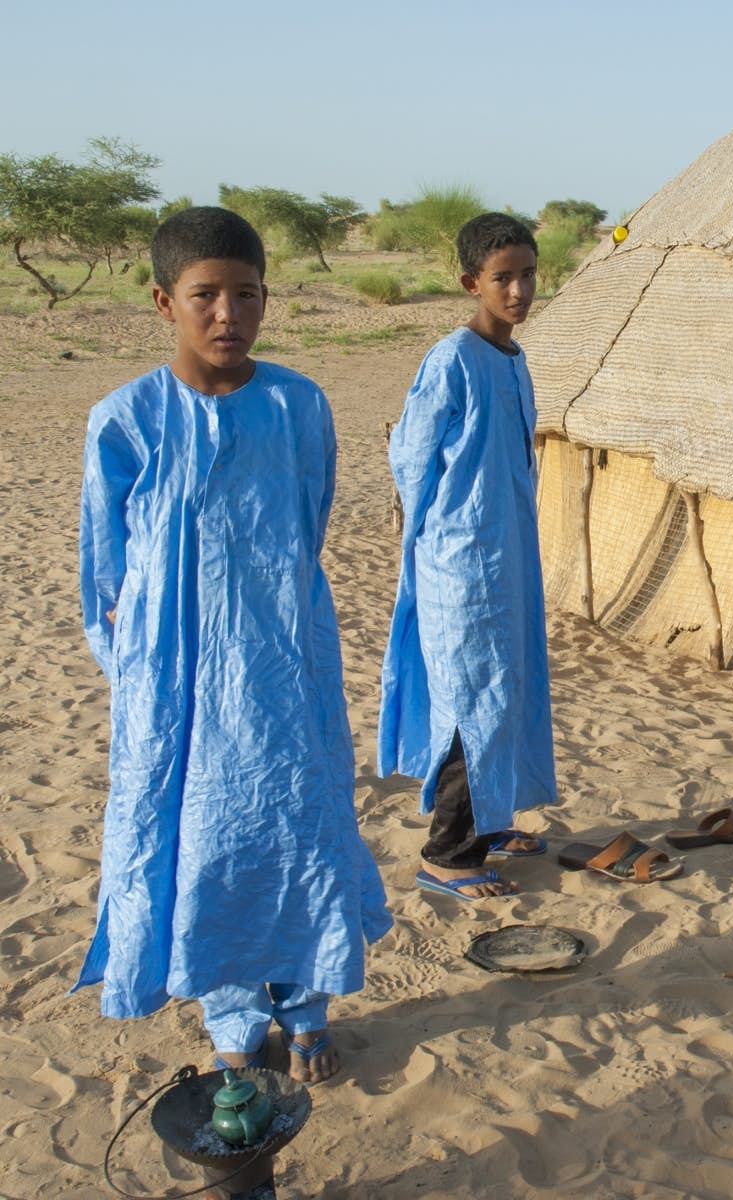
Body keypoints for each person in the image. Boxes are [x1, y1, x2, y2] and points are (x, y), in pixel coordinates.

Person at [76, 207, 391, 1083]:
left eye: (245, 295)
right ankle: (233, 1016)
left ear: (265, 298)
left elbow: (307, 525)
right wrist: (145, 683)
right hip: (175, 690)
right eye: (205, 296)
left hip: (286, 674)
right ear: (162, 301)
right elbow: (103, 577)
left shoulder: (298, 404)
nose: (227, 315)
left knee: (299, 832)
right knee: (203, 846)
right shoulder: (125, 419)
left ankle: (307, 1007)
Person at [379, 213, 558, 903]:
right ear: (471, 283)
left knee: (505, 690)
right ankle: (447, 853)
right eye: (503, 278)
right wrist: (440, 535)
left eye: (527, 275)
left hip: (507, 556)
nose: (518, 290)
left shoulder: (514, 360)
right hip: (461, 562)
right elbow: (412, 457)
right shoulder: (453, 358)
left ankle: (489, 824)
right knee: (469, 699)